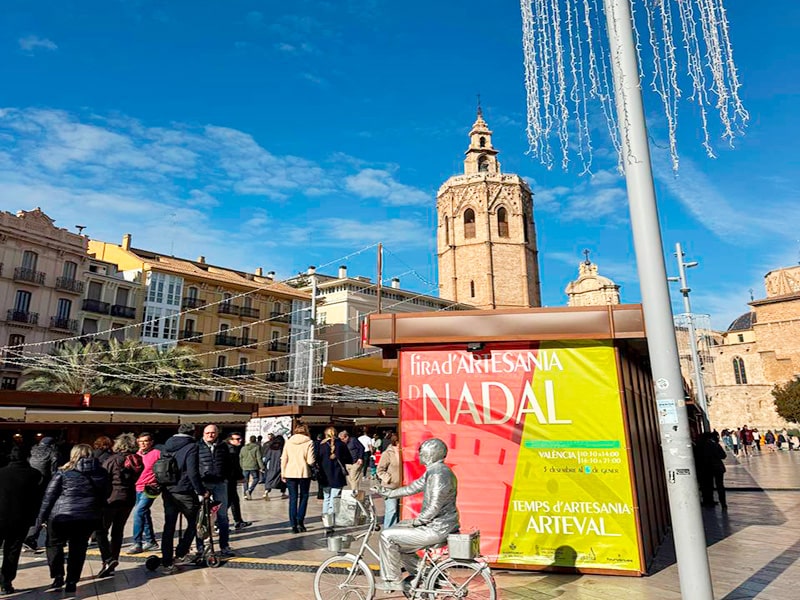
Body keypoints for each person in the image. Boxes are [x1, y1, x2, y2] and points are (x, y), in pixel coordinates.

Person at [377, 438, 459, 592]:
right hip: (441, 525)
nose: (419, 455)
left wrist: (418, 521)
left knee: (387, 535)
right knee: (400, 535)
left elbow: (434, 506)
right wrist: (390, 493)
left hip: (436, 528)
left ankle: (392, 580)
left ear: (430, 454)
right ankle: (428, 575)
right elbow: (413, 488)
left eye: (421, 453)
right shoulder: (435, 471)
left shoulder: (438, 474)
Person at [38, 444, 110, 594]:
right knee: (78, 548)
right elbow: (106, 494)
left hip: (61, 515)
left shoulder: (63, 472)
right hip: (88, 516)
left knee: (54, 544)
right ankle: (72, 580)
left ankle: (58, 576)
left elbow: (49, 497)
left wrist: (41, 518)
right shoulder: (102, 473)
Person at [159, 423, 206, 574]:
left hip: (168, 490)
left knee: (169, 526)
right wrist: (201, 490)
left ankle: (167, 562)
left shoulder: (166, 445)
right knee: (195, 521)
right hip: (184, 490)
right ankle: (181, 553)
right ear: (193, 433)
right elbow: (193, 472)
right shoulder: (192, 446)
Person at [95, 434, 143, 577]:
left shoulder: (113, 460)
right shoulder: (137, 459)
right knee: (118, 530)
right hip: (129, 498)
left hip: (112, 498)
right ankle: (113, 559)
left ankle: (107, 559)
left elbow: (103, 478)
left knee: (101, 530)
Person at [0, 446, 43, 594]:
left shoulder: (1, 473)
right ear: (27, 457)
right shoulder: (34, 475)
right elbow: (38, 499)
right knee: (12, 550)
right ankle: (6, 582)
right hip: (21, 519)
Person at [197, 424, 235, 556]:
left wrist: (226, 478)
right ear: (203, 433)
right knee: (201, 516)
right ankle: (200, 546)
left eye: (213, 433)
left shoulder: (223, 446)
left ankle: (224, 545)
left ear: (217, 434)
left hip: (220, 483)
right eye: (207, 433)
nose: (210, 435)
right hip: (204, 483)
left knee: (223, 515)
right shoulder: (198, 446)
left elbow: (229, 463)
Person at [24, 436, 60, 551]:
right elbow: (54, 471)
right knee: (42, 512)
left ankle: (25, 535)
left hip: (29, 483)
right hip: (44, 485)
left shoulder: (32, 451)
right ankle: (31, 537)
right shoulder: (53, 452)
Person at [316, 427, 353, 536]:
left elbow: (316, 459)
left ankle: (325, 520)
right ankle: (330, 523)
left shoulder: (320, 445)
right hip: (337, 476)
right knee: (334, 499)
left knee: (326, 498)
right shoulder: (341, 445)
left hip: (324, 476)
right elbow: (349, 459)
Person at [128, 432, 160, 554]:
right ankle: (151, 541)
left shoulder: (157, 453)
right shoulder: (136, 455)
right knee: (144, 513)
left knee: (138, 512)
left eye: (145, 441)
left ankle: (137, 543)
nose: (142, 443)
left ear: (151, 442)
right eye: (140, 441)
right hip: (138, 487)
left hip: (151, 488)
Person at [281, 423, 316, 534]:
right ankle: (300, 521)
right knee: (304, 496)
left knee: (293, 498)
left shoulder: (288, 442)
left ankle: (293, 525)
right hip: (304, 472)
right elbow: (310, 461)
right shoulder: (309, 442)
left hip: (290, 472)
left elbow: (284, 458)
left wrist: (283, 473)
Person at [695, 432, 728, 510]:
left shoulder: (700, 445)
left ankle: (709, 501)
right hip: (718, 468)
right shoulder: (715, 444)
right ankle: (723, 504)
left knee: (708, 486)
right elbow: (723, 455)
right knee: (720, 486)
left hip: (707, 468)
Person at [224, 432, 251, 530]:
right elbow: (234, 466)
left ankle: (238, 521)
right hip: (228, 479)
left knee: (234, 500)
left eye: (240, 439)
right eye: (237, 439)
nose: (240, 440)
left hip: (230, 479)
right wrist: (240, 476)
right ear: (230, 440)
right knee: (227, 502)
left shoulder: (231, 448)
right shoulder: (231, 450)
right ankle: (217, 522)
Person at [377, 433, 402, 528]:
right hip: (390, 487)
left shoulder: (405, 452)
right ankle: (387, 532)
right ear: (396, 441)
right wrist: (389, 479)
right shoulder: (387, 453)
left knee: (400, 510)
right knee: (391, 510)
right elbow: (380, 470)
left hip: (403, 486)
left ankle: (396, 531)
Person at [239, 435, 263, 501]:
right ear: (255, 440)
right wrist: (262, 467)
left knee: (245, 480)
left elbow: (240, 457)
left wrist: (241, 465)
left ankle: (245, 494)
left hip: (245, 466)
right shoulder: (257, 447)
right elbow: (259, 458)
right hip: (254, 466)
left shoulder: (243, 448)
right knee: (256, 479)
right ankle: (249, 490)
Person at [262, 435, 286, 500]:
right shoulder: (282, 448)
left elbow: (267, 457)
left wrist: (264, 465)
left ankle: (266, 491)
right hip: (280, 466)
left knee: (269, 478)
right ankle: (283, 493)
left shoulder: (271, 448)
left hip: (271, 466)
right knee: (282, 480)